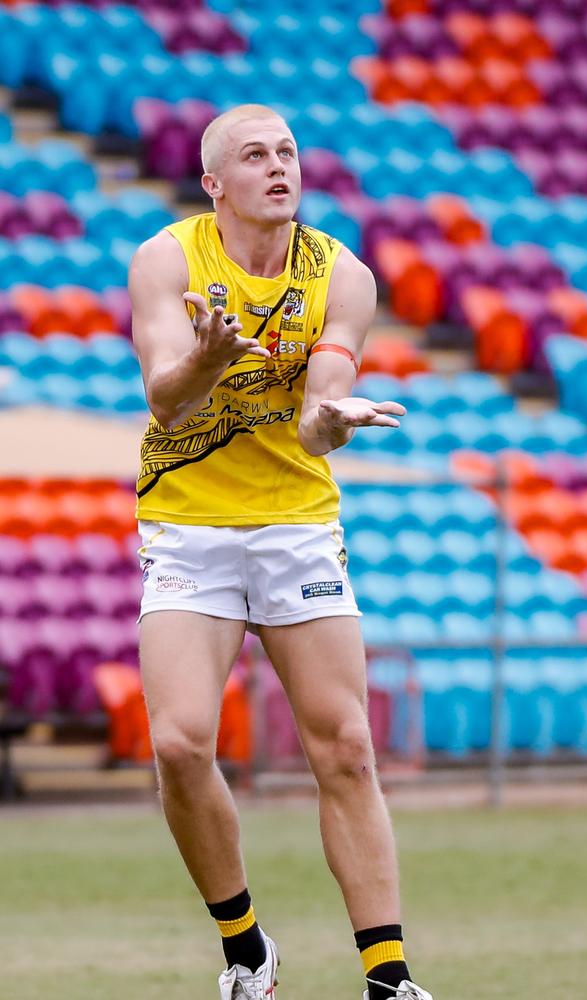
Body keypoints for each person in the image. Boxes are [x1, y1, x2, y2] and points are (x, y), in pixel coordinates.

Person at [129, 103, 433, 1000]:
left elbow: (315, 416)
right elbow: (166, 402)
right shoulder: (168, 259)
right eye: (255, 155)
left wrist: (332, 421)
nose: (279, 167)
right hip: (188, 520)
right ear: (214, 184)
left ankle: (389, 977)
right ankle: (247, 948)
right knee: (182, 745)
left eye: (289, 152)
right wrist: (209, 360)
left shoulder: (342, 273)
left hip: (296, 521)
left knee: (345, 746)